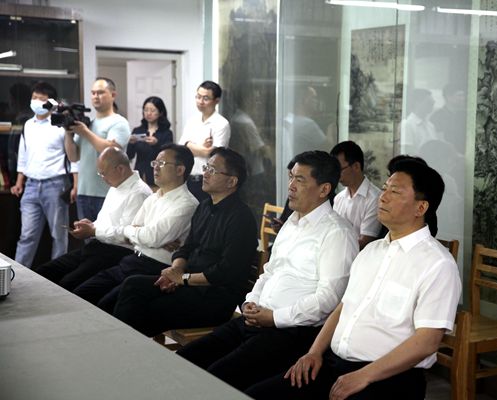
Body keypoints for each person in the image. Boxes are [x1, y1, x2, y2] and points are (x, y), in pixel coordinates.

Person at [246, 156, 462, 400]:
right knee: (256, 394)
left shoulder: (437, 264)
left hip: (389, 377)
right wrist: (314, 352)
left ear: (420, 208)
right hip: (334, 365)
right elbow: (343, 307)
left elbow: (427, 342)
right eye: (384, 189)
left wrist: (364, 375)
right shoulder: (371, 251)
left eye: (395, 192)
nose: (383, 197)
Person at [176, 150, 359, 392]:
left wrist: (274, 317)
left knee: (214, 379)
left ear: (324, 189)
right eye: (291, 177)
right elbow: (269, 272)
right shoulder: (291, 222)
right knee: (183, 361)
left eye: (300, 180)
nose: (291, 186)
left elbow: (328, 300)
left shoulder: (337, 233)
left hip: (292, 332)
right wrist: (251, 302)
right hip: (254, 319)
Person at [113, 147, 257, 337]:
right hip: (188, 284)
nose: (205, 173)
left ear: (232, 181)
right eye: (206, 167)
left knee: (147, 308)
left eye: (212, 170)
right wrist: (175, 271)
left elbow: (225, 271)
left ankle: (126, 346)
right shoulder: (205, 206)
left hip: (213, 297)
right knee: (133, 285)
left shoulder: (241, 218)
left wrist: (184, 279)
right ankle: (123, 344)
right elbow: (187, 247)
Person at [72, 143, 198, 313]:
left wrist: (144, 235)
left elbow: (151, 237)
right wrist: (146, 235)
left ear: (180, 170)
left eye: (161, 163)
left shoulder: (187, 204)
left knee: (104, 307)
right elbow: (139, 233)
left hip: (154, 267)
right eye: (155, 163)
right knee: (82, 294)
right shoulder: (154, 198)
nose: (155, 168)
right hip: (132, 260)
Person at [32, 147, 152, 291]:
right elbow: (106, 221)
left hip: (117, 252)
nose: (102, 177)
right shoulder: (116, 184)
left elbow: (127, 235)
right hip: (97, 245)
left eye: (103, 173)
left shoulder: (139, 193)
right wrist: (91, 225)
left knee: (67, 285)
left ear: (120, 169)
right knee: (44, 271)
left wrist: (93, 231)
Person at [10, 81, 77, 267]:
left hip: (56, 184)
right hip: (31, 185)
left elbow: (74, 158)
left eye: (42, 99)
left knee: (59, 235)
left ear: (51, 102)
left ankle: (56, 276)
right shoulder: (28, 125)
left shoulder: (60, 125)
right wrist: (19, 182)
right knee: (27, 235)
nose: (37, 102)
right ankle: (18, 275)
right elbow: (23, 155)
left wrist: (76, 184)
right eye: (34, 98)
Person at [64, 77, 130, 221]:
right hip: (84, 192)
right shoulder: (88, 124)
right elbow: (73, 157)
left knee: (107, 234)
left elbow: (110, 152)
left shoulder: (119, 122)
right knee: (86, 235)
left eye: (100, 92)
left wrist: (85, 132)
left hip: (108, 192)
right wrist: (68, 133)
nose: (95, 96)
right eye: (93, 93)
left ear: (113, 95)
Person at [179, 81, 230, 201]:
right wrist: (201, 148)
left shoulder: (221, 124)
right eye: (198, 97)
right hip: (188, 178)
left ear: (216, 100)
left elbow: (213, 154)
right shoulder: (192, 121)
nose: (200, 101)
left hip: (208, 180)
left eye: (206, 98)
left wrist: (190, 145)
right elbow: (181, 149)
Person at [330, 141, 381, 249]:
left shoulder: (375, 198)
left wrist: (335, 247)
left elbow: (365, 241)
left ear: (356, 166)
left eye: (339, 170)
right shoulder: (339, 198)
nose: (336, 175)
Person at [126, 96, 173, 187]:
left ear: (160, 112)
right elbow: (130, 155)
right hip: (139, 174)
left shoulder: (166, 133)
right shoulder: (137, 131)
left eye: (153, 110)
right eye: (146, 110)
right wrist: (131, 144)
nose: (148, 113)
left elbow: (168, 155)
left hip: (158, 174)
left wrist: (156, 144)